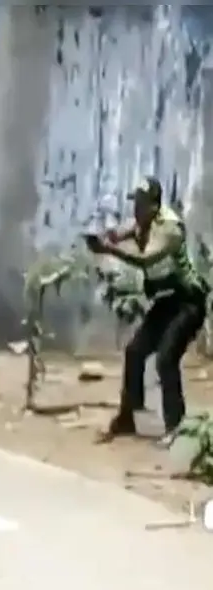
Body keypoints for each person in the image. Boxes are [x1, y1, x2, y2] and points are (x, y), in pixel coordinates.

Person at [88, 177, 210, 445]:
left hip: (188, 303)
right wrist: (106, 237)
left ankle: (176, 428)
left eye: (141, 204)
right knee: (135, 352)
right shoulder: (142, 224)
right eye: (135, 203)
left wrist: (110, 250)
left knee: (166, 359)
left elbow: (146, 259)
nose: (136, 210)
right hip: (166, 302)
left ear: (154, 206)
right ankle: (126, 417)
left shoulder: (169, 228)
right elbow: (121, 233)